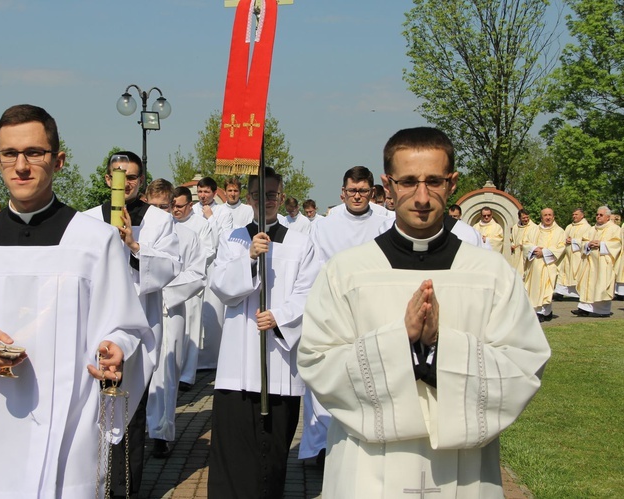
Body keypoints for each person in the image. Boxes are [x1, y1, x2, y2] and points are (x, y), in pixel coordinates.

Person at [0, 104, 155, 498]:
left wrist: (117, 350)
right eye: (10, 154)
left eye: (34, 153)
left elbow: (127, 327)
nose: (21, 165)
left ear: (57, 160)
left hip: (68, 426)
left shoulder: (95, 242)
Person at [298, 127, 551, 499]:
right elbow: (317, 361)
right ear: (388, 185)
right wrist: (400, 341)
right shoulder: (347, 271)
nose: (421, 197)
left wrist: (439, 346)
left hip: (463, 471)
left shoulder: (489, 273)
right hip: (367, 470)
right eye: (408, 181)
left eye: (434, 181)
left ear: (452, 184)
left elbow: (525, 363)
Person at [207, 167, 319, 499]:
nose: (266, 201)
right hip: (238, 365)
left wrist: (280, 317)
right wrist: (250, 259)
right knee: (233, 450)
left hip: (278, 363)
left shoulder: (301, 243)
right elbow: (222, 287)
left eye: (273, 195)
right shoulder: (235, 239)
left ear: (281, 197)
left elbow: (309, 292)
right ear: (249, 198)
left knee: (271, 454)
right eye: (259, 195)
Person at [83, 151, 180, 499]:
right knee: (90, 410)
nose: (126, 180)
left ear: (140, 180)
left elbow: (170, 267)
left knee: (129, 410)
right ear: (108, 179)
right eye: (118, 174)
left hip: (138, 329)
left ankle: (125, 489)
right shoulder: (88, 219)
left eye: (133, 176)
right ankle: (90, 483)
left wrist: (132, 245)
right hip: (95, 328)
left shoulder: (158, 220)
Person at [299, 165, 390, 464]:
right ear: (343, 192)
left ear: (372, 192)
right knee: (328, 375)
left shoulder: (386, 222)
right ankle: (323, 446)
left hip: (374, 309)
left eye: (363, 191)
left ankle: (369, 439)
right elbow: (314, 266)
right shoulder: (325, 224)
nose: (357, 196)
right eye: (352, 190)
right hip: (334, 308)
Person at [144, 180, 207, 458]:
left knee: (166, 372)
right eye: (153, 206)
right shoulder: (136, 232)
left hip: (170, 309)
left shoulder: (188, 236)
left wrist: (164, 292)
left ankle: (160, 432)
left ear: (173, 206)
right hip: (138, 309)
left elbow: (197, 274)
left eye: (164, 207)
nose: (159, 212)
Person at [171, 186, 216, 391]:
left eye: (180, 206)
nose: (175, 210)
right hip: (171, 282)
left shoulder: (201, 224)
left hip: (191, 283)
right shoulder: (168, 223)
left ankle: (187, 375)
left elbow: (208, 250)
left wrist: (187, 267)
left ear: (190, 204)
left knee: (191, 328)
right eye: (173, 205)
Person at [193, 176, 233, 370]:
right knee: (194, 311)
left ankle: (211, 359)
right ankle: (193, 356)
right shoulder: (192, 210)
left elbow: (224, 240)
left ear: (215, 193)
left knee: (212, 313)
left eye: (206, 192)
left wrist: (211, 218)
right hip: (195, 264)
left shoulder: (224, 212)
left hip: (213, 266)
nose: (202, 196)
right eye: (200, 192)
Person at [573, 206, 622, 317]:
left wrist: (601, 244)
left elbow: (617, 244)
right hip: (590, 262)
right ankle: (584, 309)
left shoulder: (614, 229)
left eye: (601, 215)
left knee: (601, 285)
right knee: (588, 284)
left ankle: (602, 311)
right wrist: (588, 244)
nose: (598, 217)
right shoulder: (592, 229)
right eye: (597, 214)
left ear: (608, 217)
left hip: (604, 263)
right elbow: (583, 241)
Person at [523, 208, 565, 321]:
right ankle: (543, 312)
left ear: (553, 216)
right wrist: (534, 249)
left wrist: (545, 252)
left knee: (546, 289)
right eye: (545, 215)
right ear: (541, 217)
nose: (548, 217)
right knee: (535, 289)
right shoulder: (534, 230)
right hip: (535, 265)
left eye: (550, 215)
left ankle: (543, 312)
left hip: (549, 265)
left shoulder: (560, 231)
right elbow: (525, 243)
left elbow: (561, 247)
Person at [555, 208, 590, 299]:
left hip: (578, 256)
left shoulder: (587, 227)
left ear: (582, 216)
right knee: (563, 274)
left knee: (577, 275)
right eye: (573, 214)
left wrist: (574, 241)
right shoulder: (569, 226)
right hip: (567, 255)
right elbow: (563, 238)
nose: (574, 216)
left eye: (576, 214)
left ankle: (577, 294)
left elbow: (587, 242)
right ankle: (559, 292)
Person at [510, 208, 536, 277]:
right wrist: (512, 245)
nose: (526, 219)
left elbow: (535, 241)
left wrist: (525, 246)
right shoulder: (515, 227)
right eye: (523, 218)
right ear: (519, 218)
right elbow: (512, 239)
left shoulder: (534, 227)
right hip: (516, 254)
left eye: (527, 217)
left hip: (527, 255)